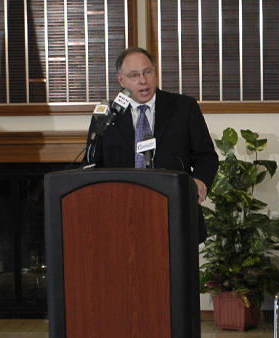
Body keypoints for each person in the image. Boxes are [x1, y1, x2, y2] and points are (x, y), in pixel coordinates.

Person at [86, 47, 219, 243]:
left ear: (155, 73)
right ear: (121, 80)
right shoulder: (106, 116)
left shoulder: (183, 107)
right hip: (122, 217)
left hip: (174, 213)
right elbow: (92, 163)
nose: (143, 80)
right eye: (134, 75)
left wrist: (200, 180)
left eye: (147, 72)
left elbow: (206, 156)